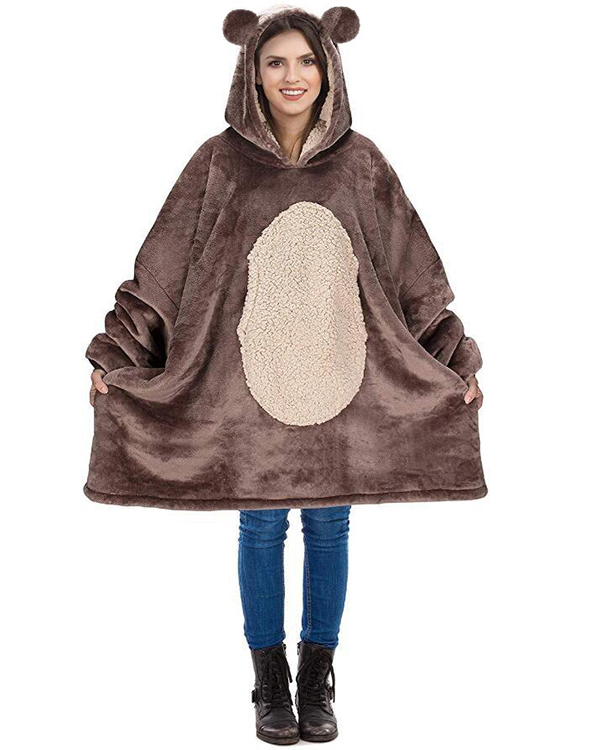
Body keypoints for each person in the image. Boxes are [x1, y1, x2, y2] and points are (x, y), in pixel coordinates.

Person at [85, 4, 486, 745]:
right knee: (261, 521)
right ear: (252, 72)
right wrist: (119, 353)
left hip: (343, 377)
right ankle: (269, 681)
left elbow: (411, 277)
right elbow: (164, 272)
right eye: (276, 63)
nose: (291, 76)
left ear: (328, 69)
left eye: (306, 61)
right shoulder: (218, 162)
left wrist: (450, 359)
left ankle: (317, 676)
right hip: (241, 389)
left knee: (330, 523)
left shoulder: (362, 164)